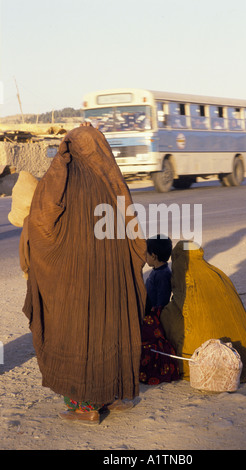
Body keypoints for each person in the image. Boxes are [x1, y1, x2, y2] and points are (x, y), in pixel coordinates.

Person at [20, 124, 147, 423]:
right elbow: (133, 231)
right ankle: (113, 394)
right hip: (111, 277)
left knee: (75, 331)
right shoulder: (111, 180)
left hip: (74, 278)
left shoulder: (59, 176)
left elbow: (41, 222)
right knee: (110, 327)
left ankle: (85, 407)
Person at [160, 240, 246, 383]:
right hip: (237, 352)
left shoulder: (188, 280)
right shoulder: (217, 275)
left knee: (167, 317)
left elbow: (180, 311)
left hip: (204, 356)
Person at [140, 235, 180, 385]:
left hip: (154, 316)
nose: (145, 257)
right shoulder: (158, 271)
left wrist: (150, 315)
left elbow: (161, 301)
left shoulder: (163, 275)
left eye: (146, 254)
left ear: (154, 256)